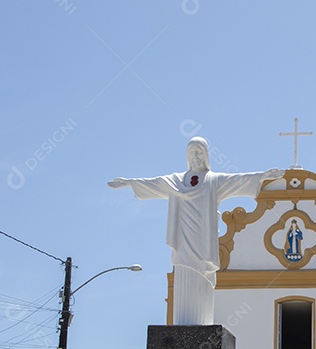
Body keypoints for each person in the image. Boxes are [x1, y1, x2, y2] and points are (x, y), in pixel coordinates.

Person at [109, 137, 282, 325]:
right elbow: (155, 184)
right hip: (183, 241)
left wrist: (262, 176)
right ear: (187, 155)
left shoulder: (214, 181)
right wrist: (130, 182)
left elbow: (239, 181)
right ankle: (183, 323)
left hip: (203, 242)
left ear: (206, 155)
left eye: (199, 151)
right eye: (192, 152)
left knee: (203, 275)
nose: (196, 156)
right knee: (183, 274)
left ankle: (201, 323)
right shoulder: (176, 181)